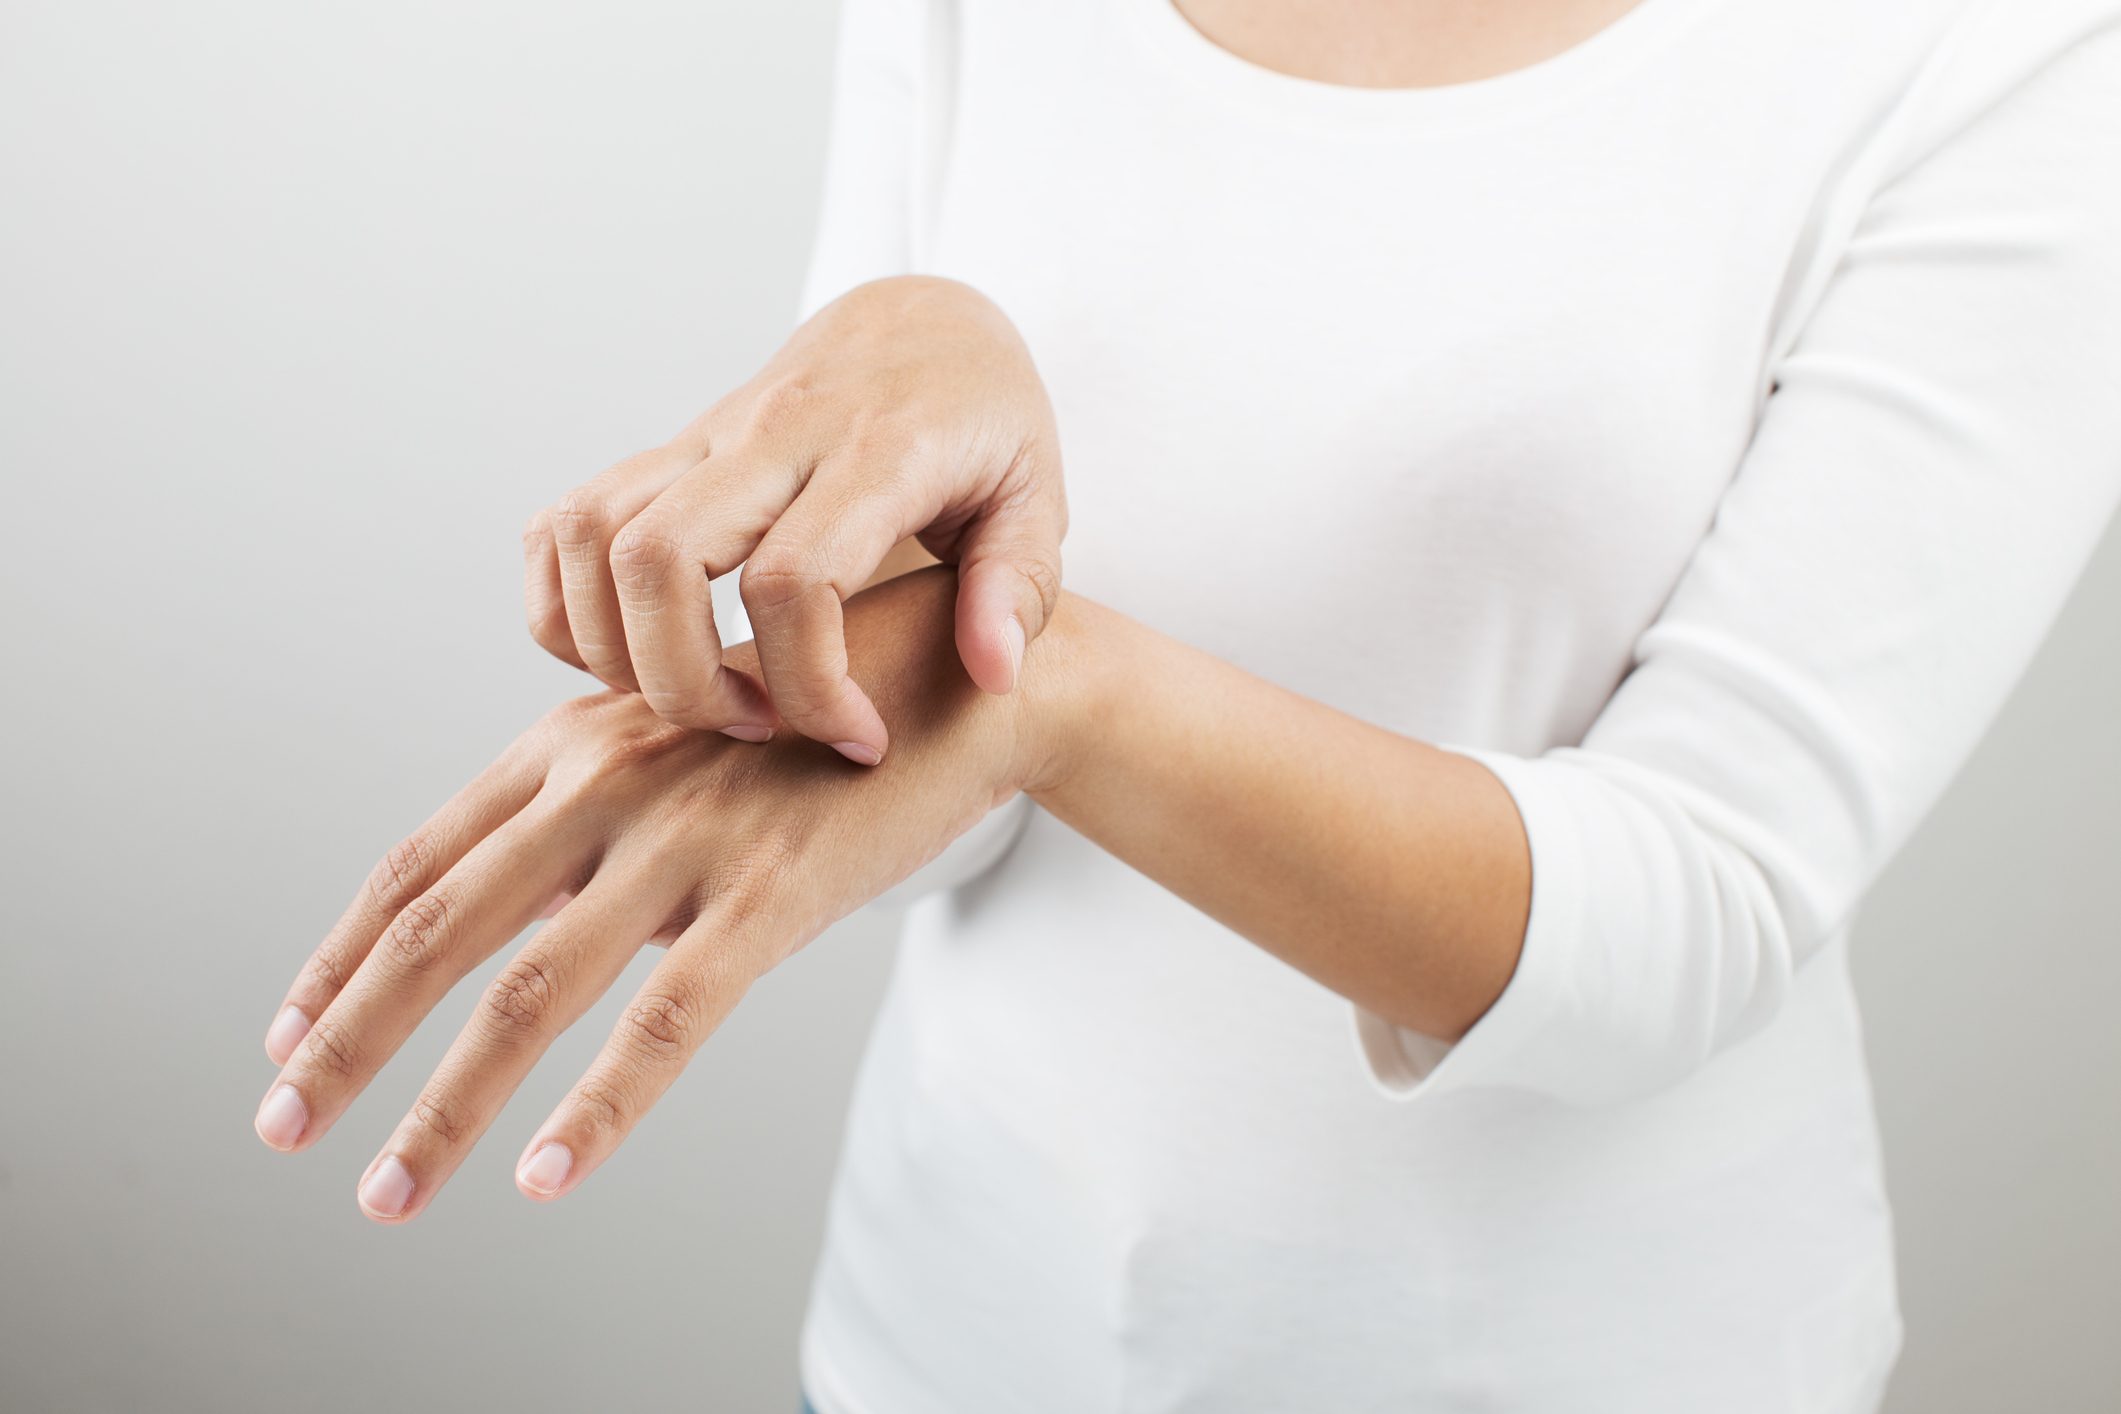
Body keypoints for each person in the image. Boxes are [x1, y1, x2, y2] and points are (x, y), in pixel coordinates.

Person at [250, 1, 2121, 1409]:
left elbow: (1702, 903)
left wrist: (1054, 686)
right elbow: (893, 799)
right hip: (958, 1333)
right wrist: (793, 642)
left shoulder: (1989, 48)